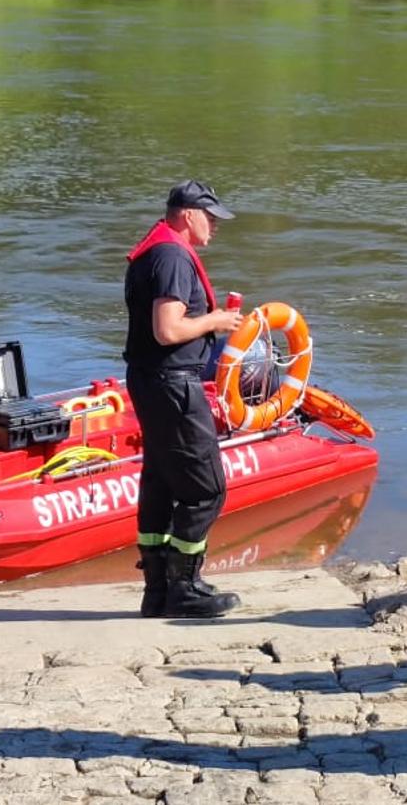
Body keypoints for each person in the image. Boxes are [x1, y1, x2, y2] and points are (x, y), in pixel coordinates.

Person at [122, 180, 246, 619]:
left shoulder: (155, 251)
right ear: (187, 214)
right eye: (209, 216)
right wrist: (215, 319)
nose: (215, 224)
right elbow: (168, 330)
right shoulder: (173, 256)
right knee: (205, 489)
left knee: (159, 483)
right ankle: (185, 588)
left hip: (150, 380)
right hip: (172, 383)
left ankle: (157, 591)